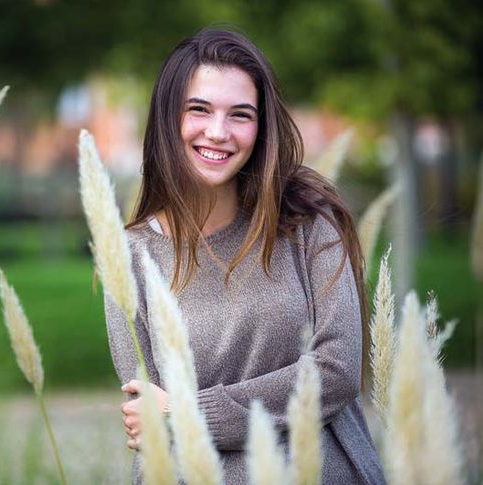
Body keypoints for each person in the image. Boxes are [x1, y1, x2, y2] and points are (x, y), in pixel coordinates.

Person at [104, 28, 385, 484]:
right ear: (166, 118)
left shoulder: (309, 223)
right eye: (199, 109)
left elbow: (336, 372)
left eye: (240, 115)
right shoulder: (133, 256)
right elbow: (152, 413)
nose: (218, 132)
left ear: (261, 129)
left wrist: (192, 413)